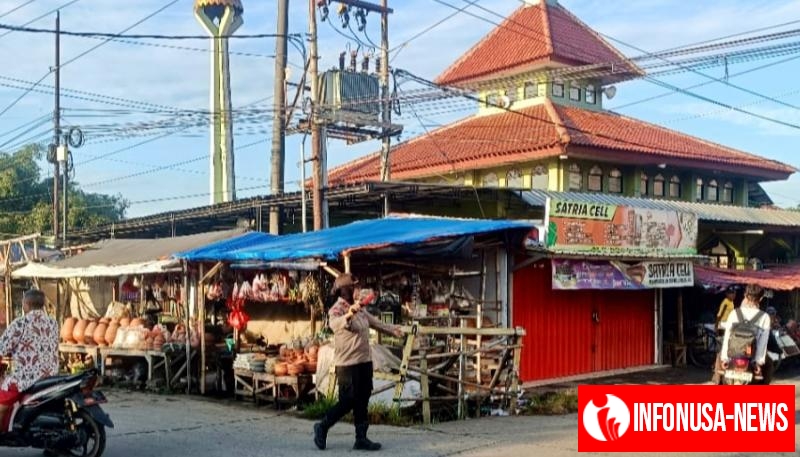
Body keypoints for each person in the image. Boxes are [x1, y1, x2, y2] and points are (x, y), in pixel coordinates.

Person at [313, 273, 403, 451]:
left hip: (364, 362)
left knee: (363, 399)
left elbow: (375, 322)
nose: (359, 290)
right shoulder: (337, 309)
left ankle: (361, 438)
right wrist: (348, 314)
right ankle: (322, 426)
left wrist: (394, 330)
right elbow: (335, 324)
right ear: (346, 291)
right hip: (347, 364)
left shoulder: (360, 309)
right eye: (355, 287)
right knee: (348, 400)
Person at [0, 289, 59, 424]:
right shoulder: (53, 323)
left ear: (25, 304)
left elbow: (2, 348)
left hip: (27, 377)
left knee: (2, 399)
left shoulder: (20, 323)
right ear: (43, 304)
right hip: (51, 376)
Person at [719, 284, 772, 384]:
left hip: (732, 357)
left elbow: (727, 337)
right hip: (751, 357)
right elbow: (762, 344)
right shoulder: (765, 317)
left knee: (718, 366)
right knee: (769, 364)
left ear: (745, 295)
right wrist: (758, 363)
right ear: (760, 298)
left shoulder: (734, 313)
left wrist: (724, 359)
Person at [709, 286, 737, 384]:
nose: (733, 295)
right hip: (723, 326)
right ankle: (717, 366)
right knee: (722, 347)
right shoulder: (725, 302)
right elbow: (719, 315)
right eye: (731, 293)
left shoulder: (731, 302)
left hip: (728, 325)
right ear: (727, 294)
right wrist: (716, 326)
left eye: (734, 293)